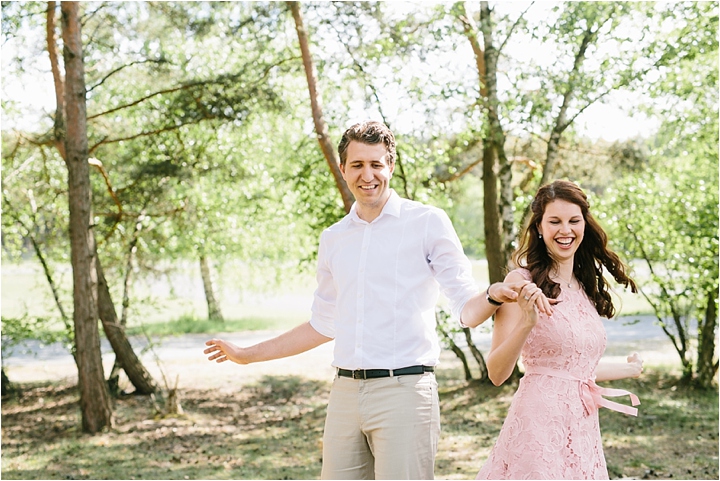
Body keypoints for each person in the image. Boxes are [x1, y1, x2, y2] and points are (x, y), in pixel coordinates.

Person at [204, 120, 551, 480]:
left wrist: (493, 294)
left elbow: (466, 309)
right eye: (357, 165)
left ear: (391, 166)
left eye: (376, 164)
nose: (367, 175)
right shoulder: (334, 238)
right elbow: (322, 325)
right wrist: (246, 355)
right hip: (345, 394)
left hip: (404, 391)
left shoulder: (428, 222)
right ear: (343, 169)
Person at [466, 179, 643, 480]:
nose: (565, 230)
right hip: (538, 426)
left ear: (584, 225)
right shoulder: (521, 281)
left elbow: (576, 367)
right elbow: (497, 373)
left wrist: (630, 369)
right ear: (539, 227)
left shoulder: (584, 287)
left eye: (574, 221)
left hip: (583, 425)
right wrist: (526, 322)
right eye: (554, 221)